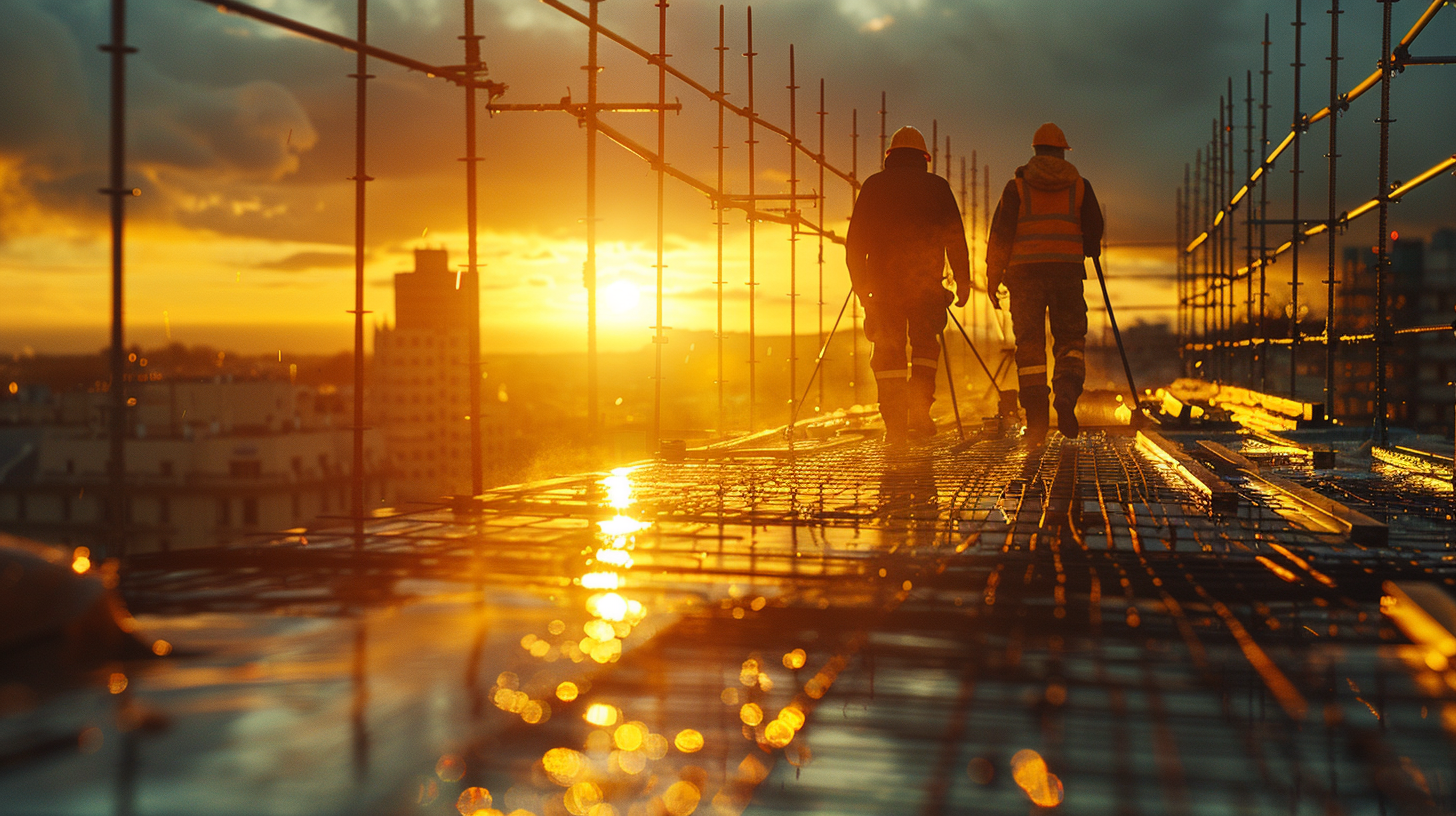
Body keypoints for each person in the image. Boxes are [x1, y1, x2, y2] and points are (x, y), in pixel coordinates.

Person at [846, 126, 971, 445]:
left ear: (890, 156)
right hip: (925, 286)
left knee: (888, 352)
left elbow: (855, 243)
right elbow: (955, 238)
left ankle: (895, 426)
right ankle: (918, 412)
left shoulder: (874, 186)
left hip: (883, 287)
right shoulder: (937, 187)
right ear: (924, 158)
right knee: (926, 347)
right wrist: (962, 279)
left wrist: (861, 288)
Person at [985, 122, 1104, 445]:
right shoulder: (1080, 186)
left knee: (1030, 349)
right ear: (1063, 152)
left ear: (1036, 151)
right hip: (1066, 274)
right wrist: (1088, 247)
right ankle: (1065, 395)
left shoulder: (1017, 188)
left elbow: (1000, 237)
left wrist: (992, 277)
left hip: (1024, 278)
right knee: (1069, 340)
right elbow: (1095, 229)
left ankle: (1037, 423)